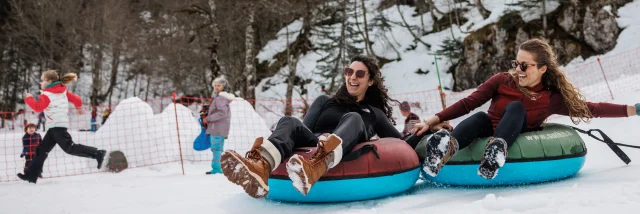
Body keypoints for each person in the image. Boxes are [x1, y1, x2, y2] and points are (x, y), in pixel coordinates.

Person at [412, 38, 640, 180]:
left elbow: (592, 108)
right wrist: (431, 121)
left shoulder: (550, 97)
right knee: (479, 116)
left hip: (515, 132)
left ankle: (496, 151)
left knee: (515, 108)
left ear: (542, 68)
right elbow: (467, 103)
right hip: (486, 128)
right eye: (516, 64)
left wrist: (634, 109)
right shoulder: (502, 80)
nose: (518, 70)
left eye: (524, 65)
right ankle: (443, 151)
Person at [219, 55, 433, 199]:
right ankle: (261, 167)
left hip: (345, 148)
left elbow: (400, 143)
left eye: (360, 74)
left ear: (370, 81)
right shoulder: (324, 101)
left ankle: (317, 167)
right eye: (349, 72)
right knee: (288, 121)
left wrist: (429, 126)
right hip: (316, 142)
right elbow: (303, 131)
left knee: (354, 117)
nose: (352, 77)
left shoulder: (372, 113)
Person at [18, 70, 107, 184]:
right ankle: (31, 175)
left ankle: (98, 153)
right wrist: (78, 107)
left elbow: (37, 107)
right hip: (55, 126)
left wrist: (29, 98)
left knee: (69, 148)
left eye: (42, 80)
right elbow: (77, 99)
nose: (40, 82)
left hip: (57, 126)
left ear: (49, 81)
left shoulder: (47, 94)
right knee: (41, 150)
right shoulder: (63, 90)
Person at [205, 76, 235, 175]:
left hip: (217, 128)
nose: (216, 87)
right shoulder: (221, 98)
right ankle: (217, 168)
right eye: (215, 85)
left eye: (219, 85)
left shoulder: (220, 99)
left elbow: (222, 113)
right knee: (217, 148)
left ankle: (217, 169)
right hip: (219, 128)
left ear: (224, 87)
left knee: (216, 148)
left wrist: (208, 118)